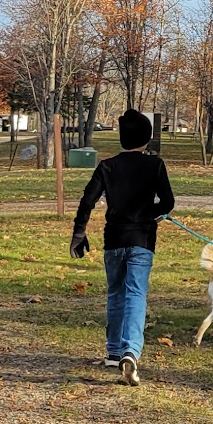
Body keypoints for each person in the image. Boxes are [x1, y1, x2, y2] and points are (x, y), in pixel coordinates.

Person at [70, 108, 174, 385]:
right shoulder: (155, 165)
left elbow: (87, 200)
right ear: (147, 138)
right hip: (142, 240)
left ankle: (114, 352)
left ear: (122, 138)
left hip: (113, 240)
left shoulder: (107, 166)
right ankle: (130, 351)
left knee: (116, 293)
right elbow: (168, 202)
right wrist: (150, 214)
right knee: (136, 294)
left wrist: (79, 232)